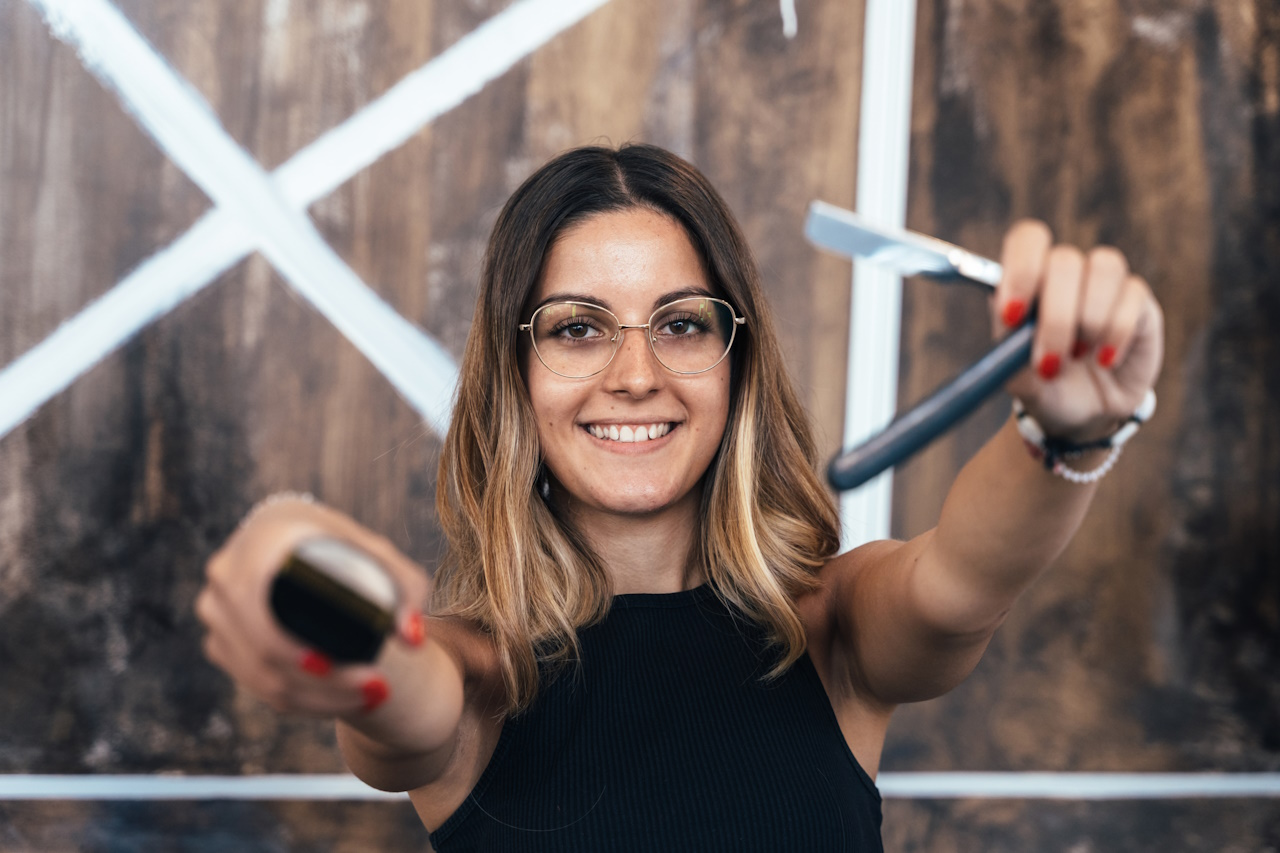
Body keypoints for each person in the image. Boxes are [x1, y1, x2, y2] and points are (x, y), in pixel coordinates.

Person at [196, 144, 1164, 850]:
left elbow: (961, 581)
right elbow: (397, 701)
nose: (633, 373)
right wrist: (292, 559)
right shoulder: (473, 673)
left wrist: (1068, 428)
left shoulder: (832, 630)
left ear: (733, 364)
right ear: (514, 377)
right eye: (577, 328)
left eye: (681, 324)